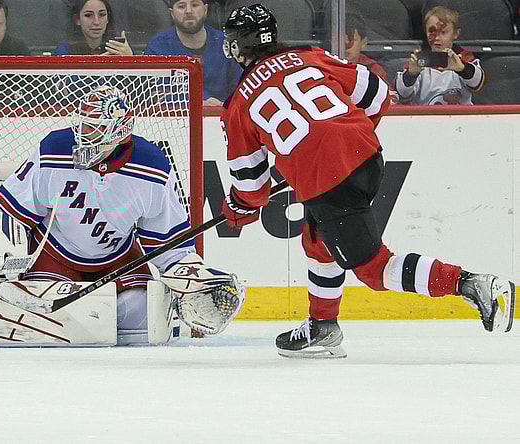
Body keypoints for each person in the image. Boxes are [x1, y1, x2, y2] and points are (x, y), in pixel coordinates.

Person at [219, 4, 515, 359]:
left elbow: (252, 190)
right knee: (318, 241)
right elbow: (376, 93)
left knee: (374, 269)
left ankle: (471, 284)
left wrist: (236, 209)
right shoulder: (310, 57)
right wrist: (344, 139)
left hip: (330, 182)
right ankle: (322, 325)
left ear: (237, 46)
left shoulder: (237, 105)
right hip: (369, 155)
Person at [0, 85, 244, 347]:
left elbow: (169, 245)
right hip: (51, 257)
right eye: (83, 126)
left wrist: (193, 277)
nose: (84, 137)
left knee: (144, 311)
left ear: (119, 131)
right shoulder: (54, 149)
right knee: (7, 292)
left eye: (95, 130)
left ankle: (65, 321)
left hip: (116, 263)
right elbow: (7, 210)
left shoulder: (152, 167)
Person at [143, 0, 242, 105]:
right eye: (181, 6)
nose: (189, 11)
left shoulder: (226, 43)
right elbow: (155, 95)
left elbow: (240, 90)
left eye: (194, 5)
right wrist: (197, 102)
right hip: (175, 119)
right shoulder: (157, 46)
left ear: (205, 9)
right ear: (172, 13)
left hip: (221, 116)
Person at [396, 6, 485, 105]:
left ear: (456, 33)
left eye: (443, 32)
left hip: (461, 118)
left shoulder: (464, 57)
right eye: (431, 32)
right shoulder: (418, 60)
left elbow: (477, 83)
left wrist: (462, 69)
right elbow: (403, 94)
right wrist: (411, 74)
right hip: (426, 118)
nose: (437, 37)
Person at [344, 13, 397, 104]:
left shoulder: (373, 69)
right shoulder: (324, 66)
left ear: (363, 42)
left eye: (351, 39)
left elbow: (391, 100)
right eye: (339, 39)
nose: (345, 45)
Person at [54, 0, 134, 56]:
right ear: (77, 20)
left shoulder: (119, 47)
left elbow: (141, 80)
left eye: (102, 15)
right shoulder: (65, 48)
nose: (96, 22)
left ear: (108, 19)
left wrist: (131, 60)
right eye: (88, 15)